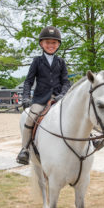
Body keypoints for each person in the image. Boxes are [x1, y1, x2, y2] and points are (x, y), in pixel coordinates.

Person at [16, 26, 71, 165]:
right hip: (40, 99)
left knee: (77, 112)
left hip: (59, 98)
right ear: (41, 44)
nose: (51, 45)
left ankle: (91, 139)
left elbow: (66, 82)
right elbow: (28, 82)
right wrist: (25, 98)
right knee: (30, 118)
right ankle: (25, 150)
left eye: (54, 43)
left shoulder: (61, 62)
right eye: (48, 42)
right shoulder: (37, 61)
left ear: (58, 44)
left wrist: (63, 95)